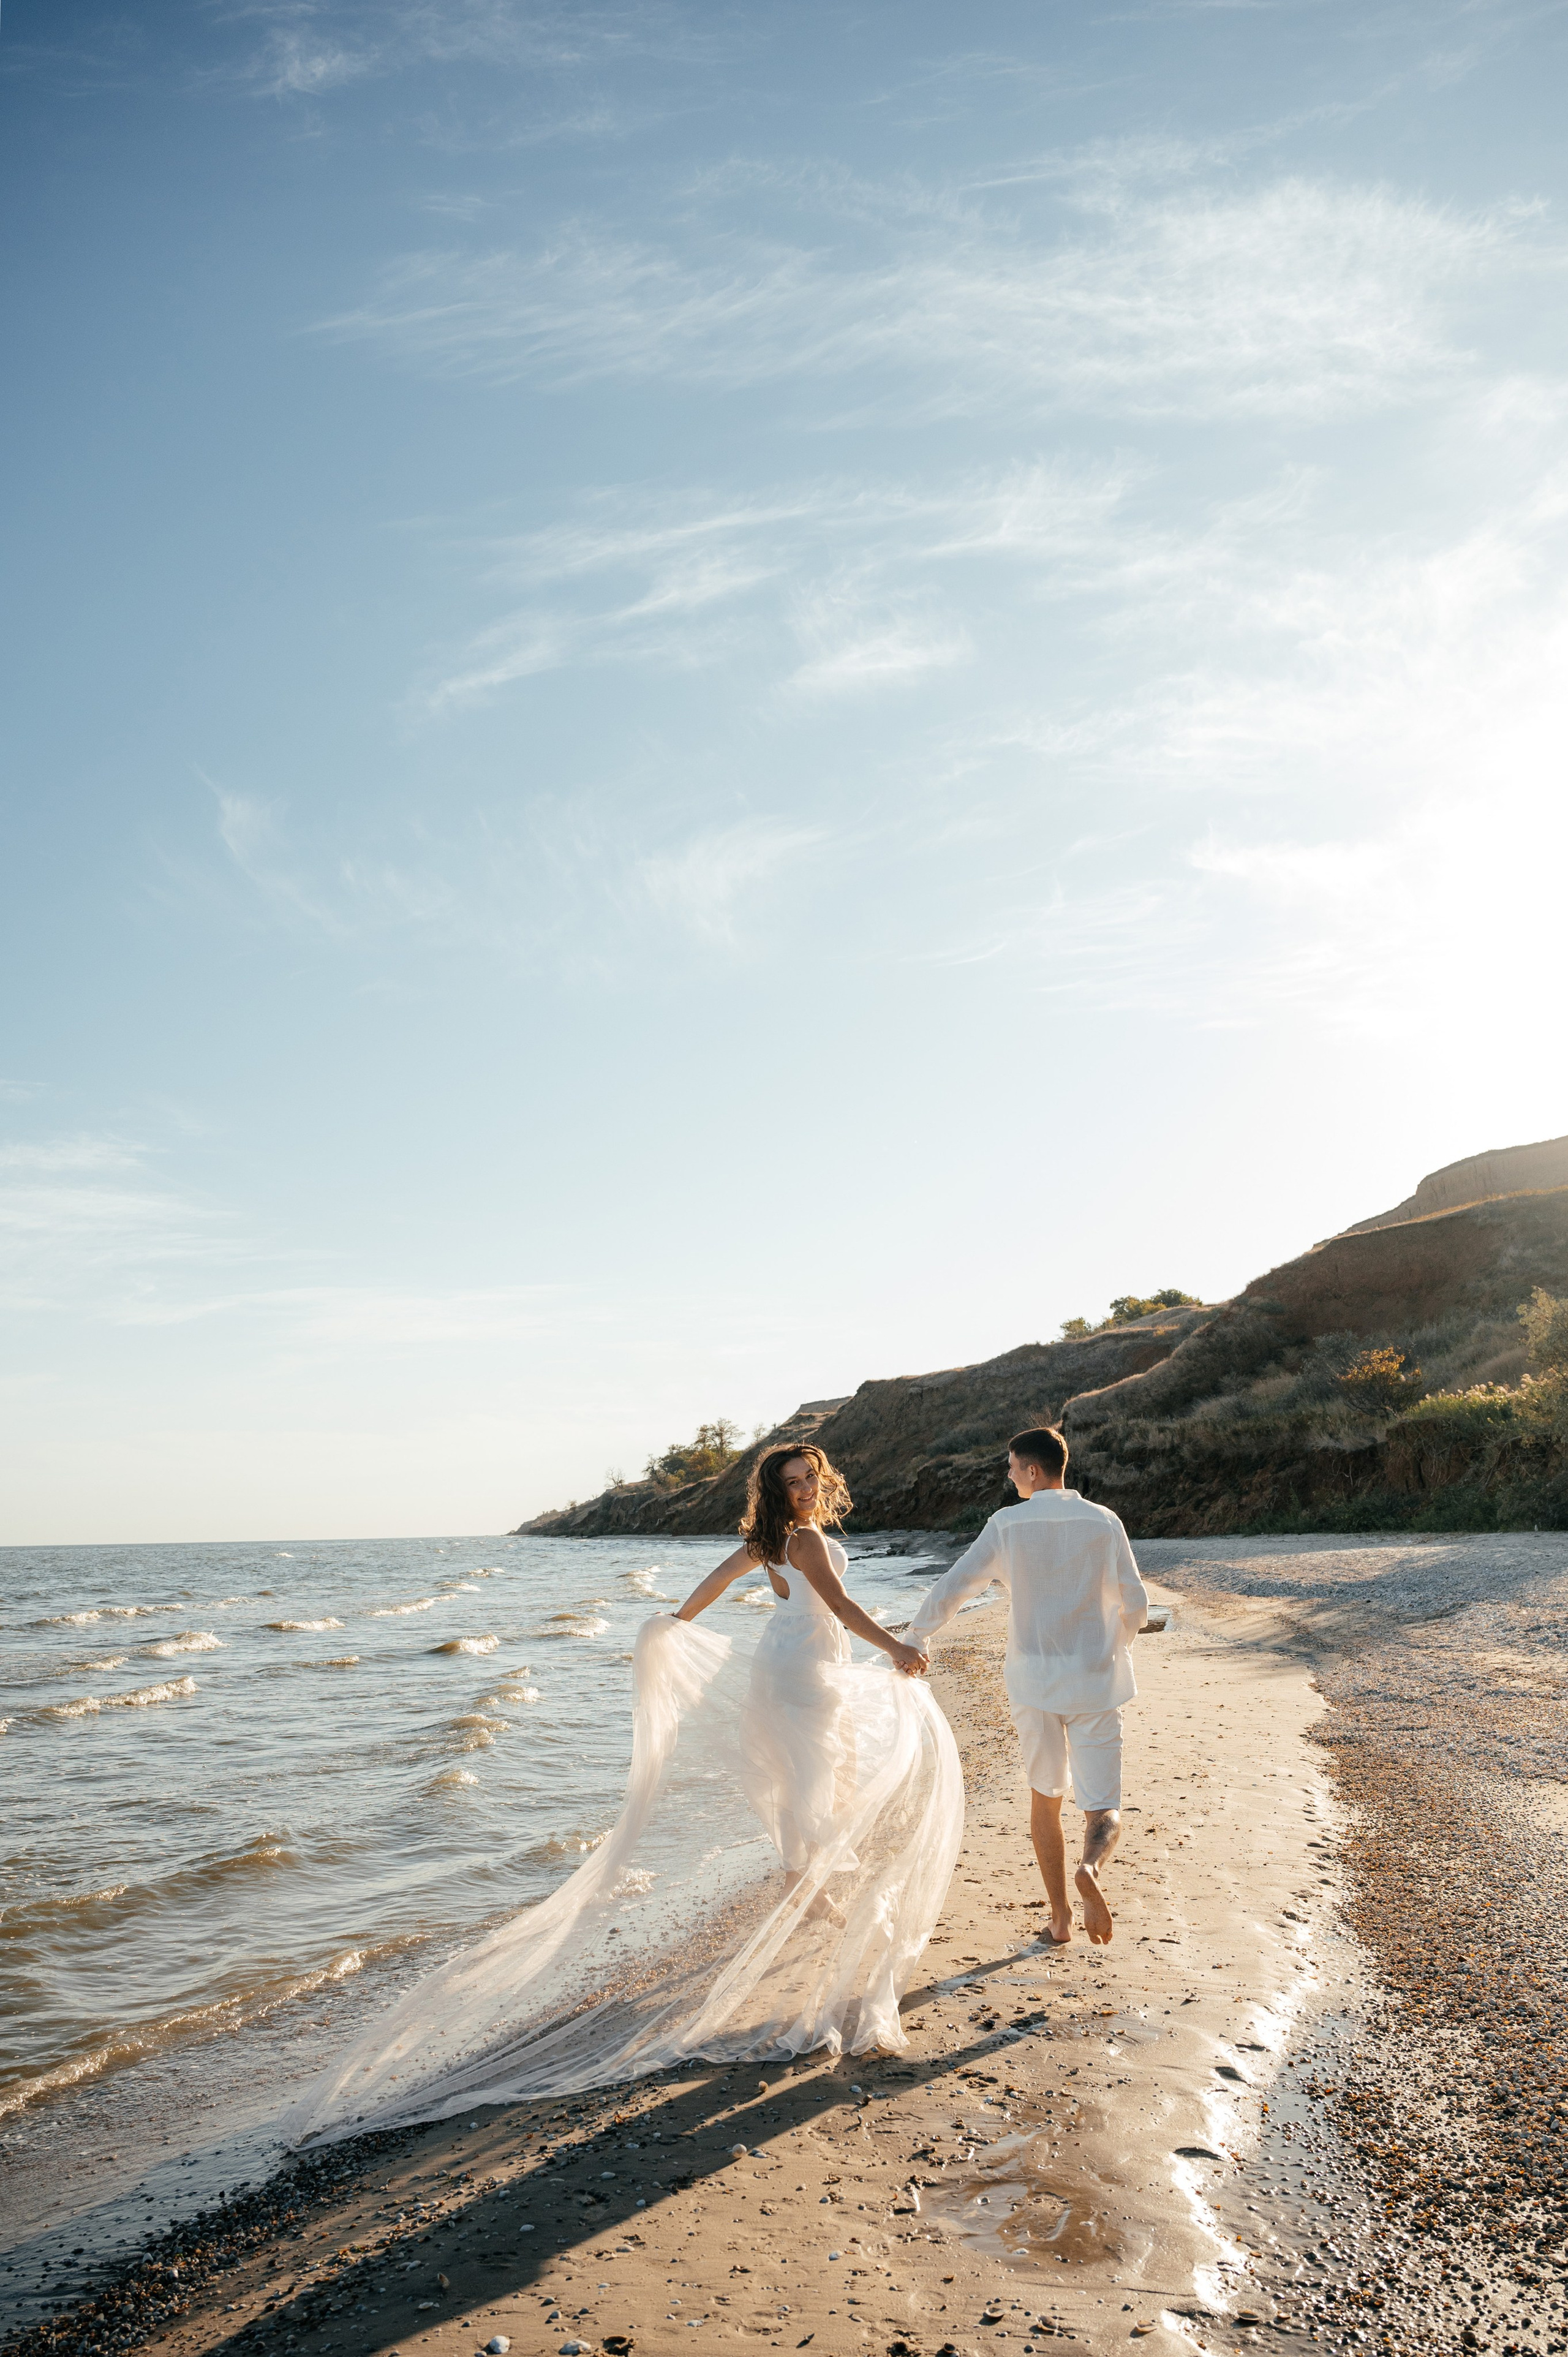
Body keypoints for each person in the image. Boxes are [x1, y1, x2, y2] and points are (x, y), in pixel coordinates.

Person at [287, 1445, 960, 2147]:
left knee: (810, 1780)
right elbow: (843, 1605)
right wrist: (895, 1647)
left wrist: (673, 1621)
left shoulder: (767, 1541)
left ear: (821, 1477)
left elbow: (718, 1580)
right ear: (775, 1489)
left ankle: (804, 1882)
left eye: (808, 1478)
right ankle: (807, 1888)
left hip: (781, 1667)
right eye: (789, 1483)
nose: (801, 1489)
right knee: (826, 1777)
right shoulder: (808, 1538)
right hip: (808, 1672)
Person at [905, 1425, 1148, 1946]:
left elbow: (957, 1585)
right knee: (1103, 1804)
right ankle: (1092, 1869)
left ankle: (1060, 1920)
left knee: (1045, 1797)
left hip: (1034, 1683)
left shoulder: (1007, 1525)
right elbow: (1137, 1603)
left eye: (1012, 1466)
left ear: (1033, 1470)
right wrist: (1114, 1647)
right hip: (1096, 1680)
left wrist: (916, 1636)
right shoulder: (1104, 1521)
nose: (1009, 1474)